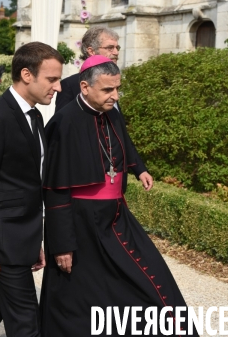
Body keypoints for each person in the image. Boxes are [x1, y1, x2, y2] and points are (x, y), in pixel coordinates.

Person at [41, 56, 198, 337]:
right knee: (80, 290)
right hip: (81, 222)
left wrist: (139, 169)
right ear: (85, 88)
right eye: (108, 90)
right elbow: (55, 189)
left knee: (149, 276)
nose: (115, 96)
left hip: (114, 214)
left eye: (117, 89)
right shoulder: (65, 121)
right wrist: (61, 245)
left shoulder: (111, 111)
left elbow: (123, 141)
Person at [0, 42, 63, 337]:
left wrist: (34, 242)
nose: (57, 88)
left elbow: (27, 185)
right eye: (51, 80)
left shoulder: (35, 116)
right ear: (27, 74)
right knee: (27, 325)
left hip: (21, 242)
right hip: (3, 246)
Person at [55, 25, 120, 111]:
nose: (116, 52)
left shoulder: (113, 80)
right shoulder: (70, 85)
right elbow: (64, 121)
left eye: (117, 48)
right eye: (110, 48)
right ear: (91, 51)